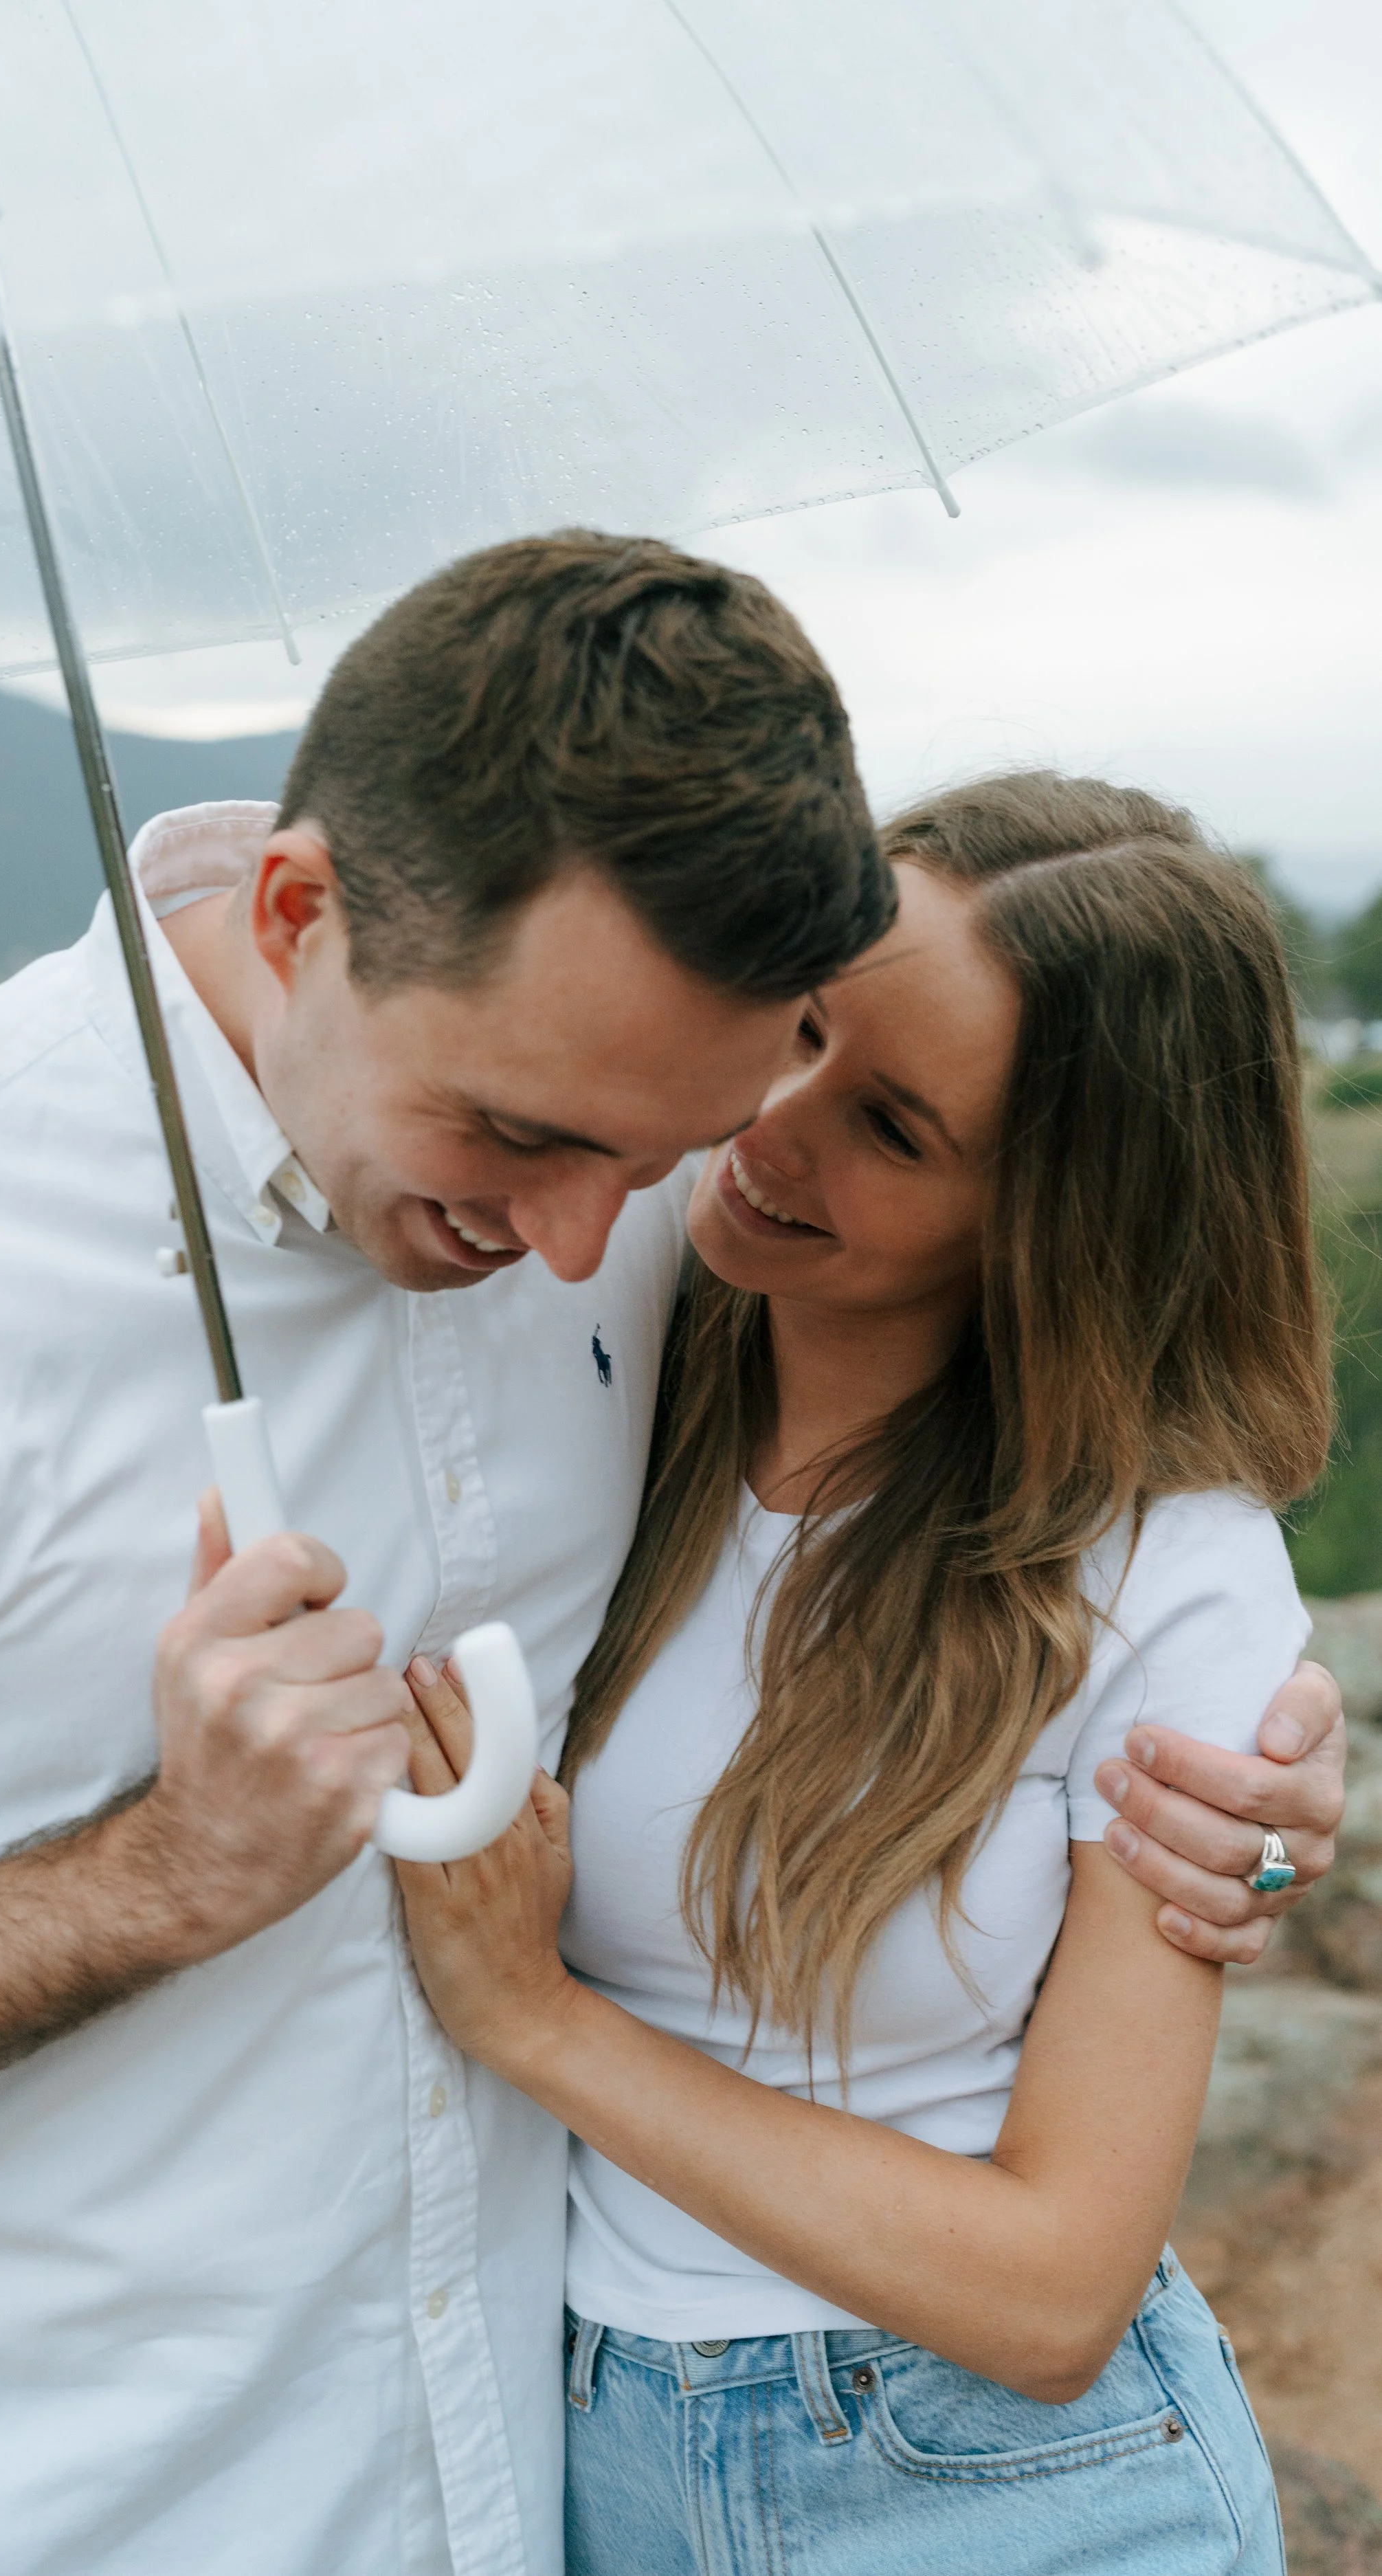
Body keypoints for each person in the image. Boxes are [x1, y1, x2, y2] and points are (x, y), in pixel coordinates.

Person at [0, 531, 1337, 2576]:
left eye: (652, 1154)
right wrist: (156, 1876)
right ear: (298, 913)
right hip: (55, 2516)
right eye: (523, 1138)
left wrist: (1231, 1776)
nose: (580, 1243)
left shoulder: (665, 1185)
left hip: (521, 2503)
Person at [394, 773, 1330, 2576]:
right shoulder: (614, 1319)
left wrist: (537, 2021)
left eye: (891, 1125)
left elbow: (1058, 2285)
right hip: (585, 2448)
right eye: (800, 1020)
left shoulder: (1160, 1571)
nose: (770, 1121)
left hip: (989, 2488)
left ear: (1055, 1220)